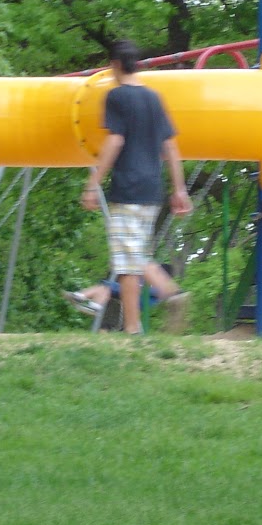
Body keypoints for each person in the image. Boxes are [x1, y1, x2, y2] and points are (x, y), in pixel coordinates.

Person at [82, 40, 192, 334]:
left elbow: (115, 141)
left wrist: (93, 184)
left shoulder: (116, 97)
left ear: (115, 64)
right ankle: (145, 316)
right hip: (152, 189)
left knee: (127, 262)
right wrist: (179, 189)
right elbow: (170, 146)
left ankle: (151, 312)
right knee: (134, 257)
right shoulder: (155, 98)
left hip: (127, 187)